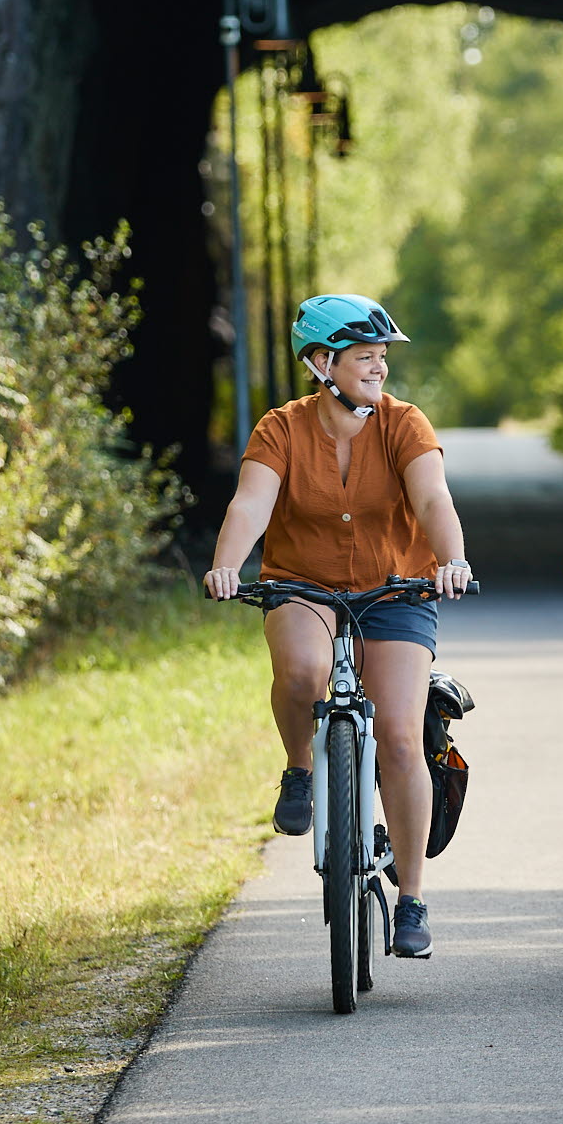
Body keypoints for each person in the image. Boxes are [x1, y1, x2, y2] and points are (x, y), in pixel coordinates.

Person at [204, 294, 472, 962]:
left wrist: (454, 558)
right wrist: (226, 565)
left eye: (383, 357)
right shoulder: (280, 428)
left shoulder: (405, 424)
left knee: (403, 738)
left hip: (397, 586)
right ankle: (300, 768)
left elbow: (433, 496)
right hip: (304, 582)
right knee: (301, 671)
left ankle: (410, 897)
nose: (379, 368)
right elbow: (252, 501)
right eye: (364, 357)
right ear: (322, 363)